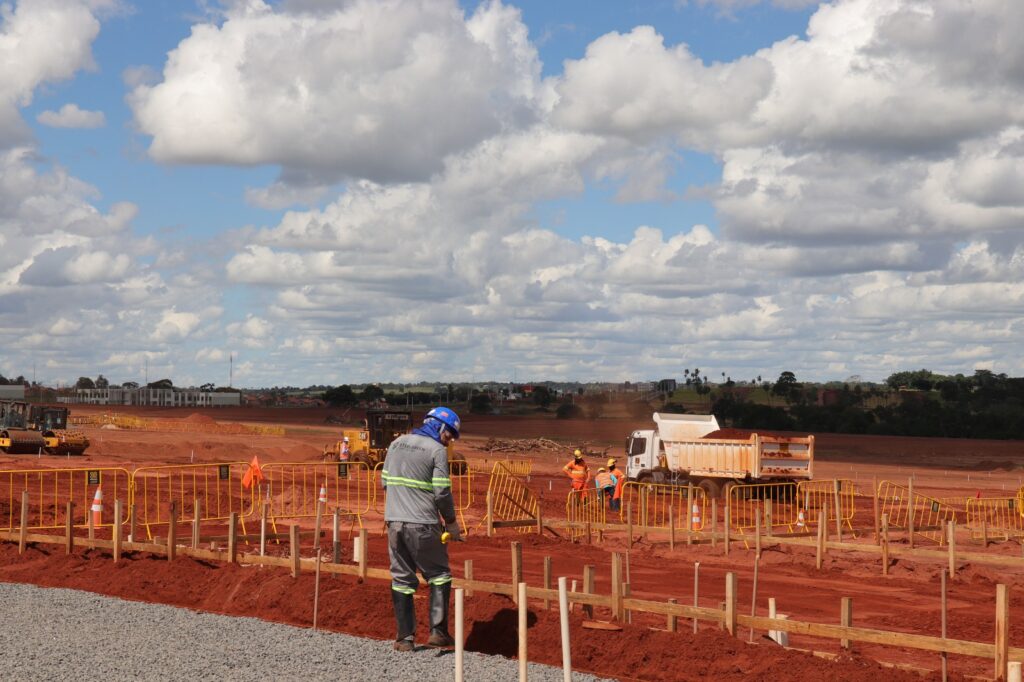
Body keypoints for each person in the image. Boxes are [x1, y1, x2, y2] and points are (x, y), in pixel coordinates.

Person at [382, 405, 462, 652]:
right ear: (439, 427)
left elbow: (385, 482)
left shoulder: (396, 444)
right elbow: (442, 491)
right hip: (423, 524)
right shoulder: (436, 450)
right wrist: (451, 522)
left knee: (401, 578)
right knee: (439, 574)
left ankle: (404, 639)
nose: (449, 440)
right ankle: (438, 632)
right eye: (449, 434)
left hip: (394, 522)